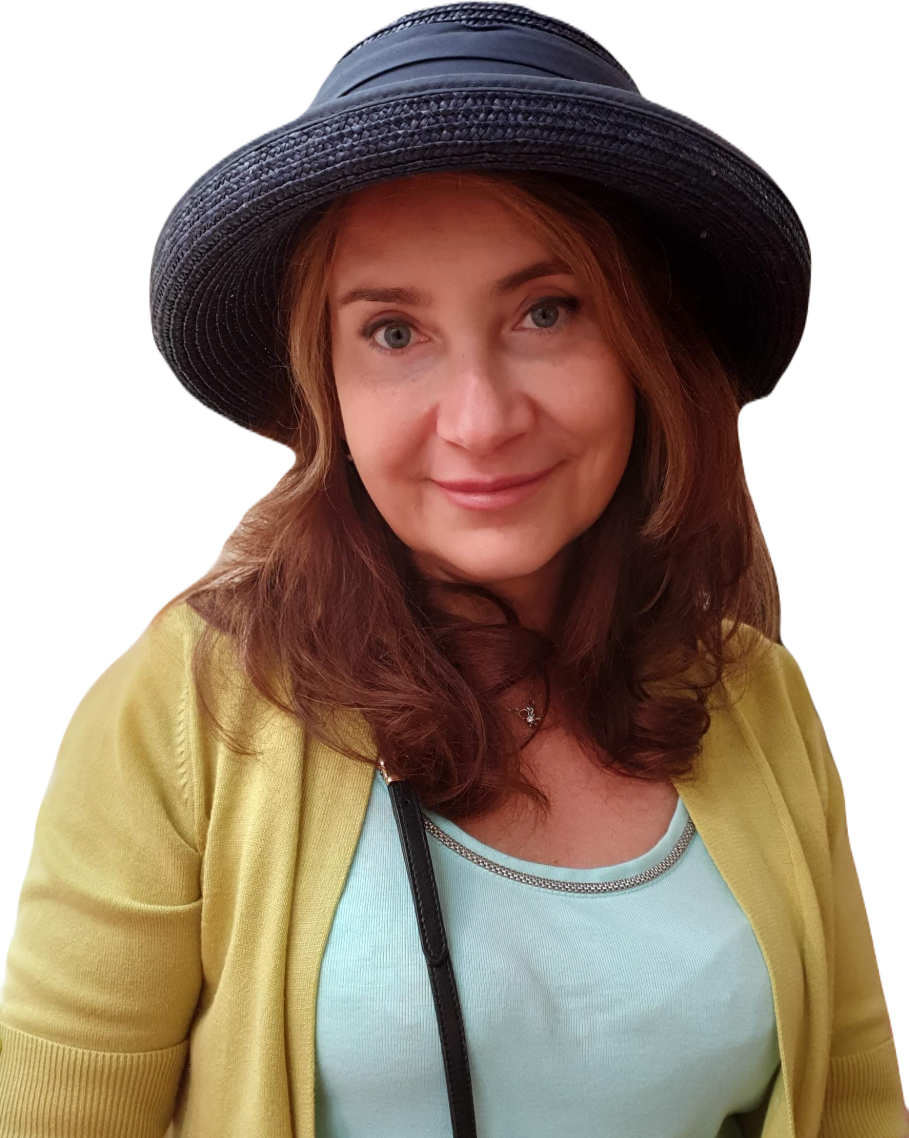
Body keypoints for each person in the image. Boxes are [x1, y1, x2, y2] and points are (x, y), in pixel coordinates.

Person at [1, 4, 905, 1137]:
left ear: (650, 347)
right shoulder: (182, 710)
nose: (480, 421)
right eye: (394, 332)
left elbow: (853, 1102)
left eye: (546, 312)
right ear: (325, 383)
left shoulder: (761, 700)